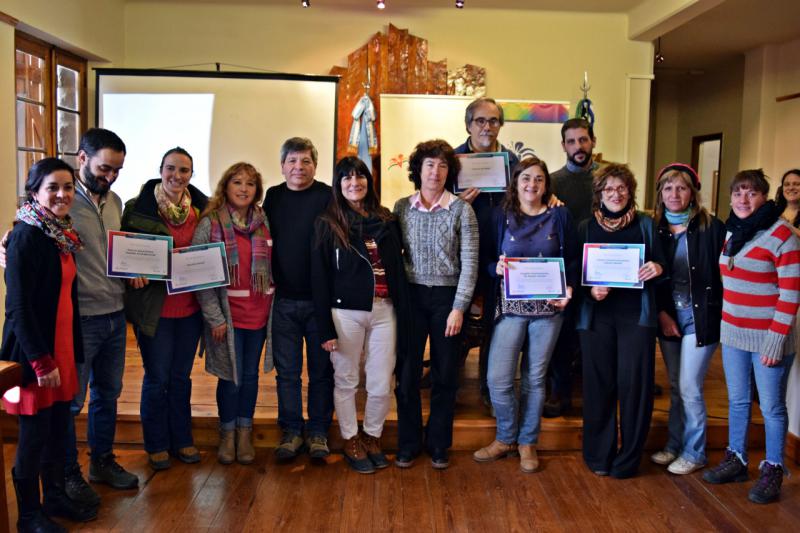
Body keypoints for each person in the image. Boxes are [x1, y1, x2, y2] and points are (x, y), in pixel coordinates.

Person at [0, 128, 137, 506]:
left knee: (106, 396)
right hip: (77, 323)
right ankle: (66, 477)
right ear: (82, 159)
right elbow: (20, 256)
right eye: (104, 168)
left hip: (110, 315)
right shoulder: (52, 211)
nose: (109, 176)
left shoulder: (113, 203)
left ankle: (101, 463)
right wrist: (7, 247)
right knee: (67, 407)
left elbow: (113, 253)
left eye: (117, 170)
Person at [2, 158, 97, 530]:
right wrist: (41, 361)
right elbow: (17, 308)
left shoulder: (61, 233)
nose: (62, 194)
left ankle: (55, 498)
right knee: (34, 436)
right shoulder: (25, 236)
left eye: (68, 187)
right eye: (53, 187)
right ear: (35, 191)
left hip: (63, 351)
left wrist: (63, 356)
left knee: (59, 430)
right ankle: (28, 515)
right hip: (35, 355)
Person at [473, 156, 578, 473]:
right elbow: (485, 261)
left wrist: (570, 287)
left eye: (539, 179)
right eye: (526, 178)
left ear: (547, 184)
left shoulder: (560, 215)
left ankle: (527, 442)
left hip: (549, 310)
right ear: (515, 182)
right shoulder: (499, 216)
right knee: (498, 379)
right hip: (509, 309)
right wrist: (496, 268)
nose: (532, 184)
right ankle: (505, 437)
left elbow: (572, 259)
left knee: (534, 379)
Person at [702, 169, 800, 505]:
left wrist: (775, 341)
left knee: (772, 407)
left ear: (764, 197)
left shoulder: (783, 236)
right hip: (733, 334)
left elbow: (789, 295)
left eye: (752, 193)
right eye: (739, 192)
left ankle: (773, 468)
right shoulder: (734, 232)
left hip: (769, 339)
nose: (744, 199)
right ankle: (737, 459)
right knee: (738, 401)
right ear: (730, 197)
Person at [311, 156, 412, 474]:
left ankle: (372, 436)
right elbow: (319, 279)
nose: (354, 183)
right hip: (345, 313)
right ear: (338, 185)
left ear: (369, 181)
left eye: (360, 177)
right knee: (346, 379)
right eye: (347, 178)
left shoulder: (386, 219)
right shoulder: (328, 224)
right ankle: (351, 439)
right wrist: (324, 328)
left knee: (382, 382)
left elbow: (397, 266)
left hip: (385, 310)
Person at [393, 139, 479, 469]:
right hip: (412, 298)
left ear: (450, 172)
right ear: (418, 169)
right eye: (430, 164)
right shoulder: (402, 207)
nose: (436, 171)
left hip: (447, 300)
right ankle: (408, 442)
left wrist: (459, 307)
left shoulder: (461, 210)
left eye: (443, 166)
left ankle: (439, 443)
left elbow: (470, 262)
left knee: (445, 375)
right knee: (408, 373)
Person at [122, 147, 208, 470]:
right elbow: (123, 255)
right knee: (157, 378)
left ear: (191, 175)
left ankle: (182, 439)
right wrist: (132, 273)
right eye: (171, 168)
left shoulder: (202, 211)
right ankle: (156, 443)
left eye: (184, 170)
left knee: (181, 378)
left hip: (190, 311)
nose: (177, 175)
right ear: (160, 169)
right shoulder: (137, 209)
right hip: (154, 311)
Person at [577, 163, 665, 479]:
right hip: (596, 318)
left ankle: (628, 459)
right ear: (599, 193)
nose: (615, 194)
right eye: (609, 189)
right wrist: (591, 290)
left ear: (630, 192)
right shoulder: (585, 227)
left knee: (635, 389)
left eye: (622, 188)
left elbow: (662, 264)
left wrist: (657, 268)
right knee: (599, 387)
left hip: (636, 318)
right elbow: (575, 276)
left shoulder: (646, 224)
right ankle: (598, 455)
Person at [192, 162, 273, 465]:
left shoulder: (264, 222)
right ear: (225, 187)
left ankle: (244, 432)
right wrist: (215, 317)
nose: (243, 189)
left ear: (257, 191)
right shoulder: (210, 223)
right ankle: (226, 433)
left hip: (258, 314)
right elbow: (199, 275)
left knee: (250, 377)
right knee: (230, 378)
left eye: (250, 184)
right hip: (226, 318)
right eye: (237, 182)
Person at [649, 163, 725, 475]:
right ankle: (674, 444)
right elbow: (653, 279)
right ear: (660, 194)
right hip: (669, 317)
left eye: (681, 187)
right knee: (677, 386)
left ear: (692, 192)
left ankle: (695, 452)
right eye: (668, 188)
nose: (674, 194)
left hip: (701, 318)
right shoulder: (654, 228)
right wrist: (663, 315)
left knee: (690, 386)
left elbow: (725, 274)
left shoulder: (711, 227)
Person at [263, 137, 334, 461]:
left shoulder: (327, 195)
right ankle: (291, 431)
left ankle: (318, 432)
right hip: (284, 303)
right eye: (292, 161)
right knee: (287, 373)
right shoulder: (273, 197)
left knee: (321, 372)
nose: (298, 167)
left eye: (305, 161)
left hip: (321, 304)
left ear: (314, 166)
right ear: (282, 166)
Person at [452, 97, 521, 408]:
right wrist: (457, 205)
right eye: (480, 120)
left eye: (493, 121)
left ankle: (488, 386)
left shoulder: (512, 161)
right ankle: (449, 382)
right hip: (460, 254)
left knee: (495, 319)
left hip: (499, 254)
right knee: (457, 317)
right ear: (468, 124)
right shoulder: (451, 161)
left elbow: (529, 199)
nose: (487, 127)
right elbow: (435, 209)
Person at [544, 117, 600, 418]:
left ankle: (597, 393)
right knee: (561, 334)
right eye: (571, 141)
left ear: (592, 141)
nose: (578, 146)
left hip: (600, 269)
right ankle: (559, 392)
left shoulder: (606, 179)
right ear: (564, 145)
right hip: (564, 266)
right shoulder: (552, 182)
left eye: (583, 140)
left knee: (594, 332)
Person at [775, 168, 800, 236]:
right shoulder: (773, 211)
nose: (791, 188)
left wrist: (786, 226)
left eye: (797, 184)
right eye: (787, 184)